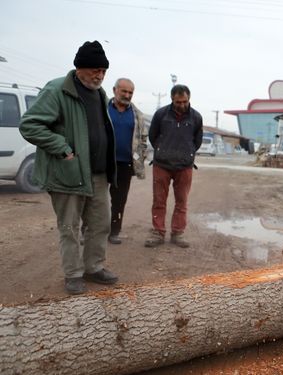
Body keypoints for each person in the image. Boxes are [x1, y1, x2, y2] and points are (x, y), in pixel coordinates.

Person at [19, 41, 118, 295]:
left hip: (97, 174)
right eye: (95, 70)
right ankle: (73, 274)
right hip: (68, 173)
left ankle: (93, 267)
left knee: (100, 224)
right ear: (79, 68)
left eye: (104, 71)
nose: (100, 75)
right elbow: (30, 125)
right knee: (70, 227)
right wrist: (62, 147)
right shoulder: (56, 90)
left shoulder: (100, 93)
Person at [145, 84, 203, 248]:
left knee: (182, 202)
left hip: (184, 167)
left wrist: (187, 153)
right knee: (159, 201)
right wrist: (162, 150)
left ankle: (177, 233)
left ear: (189, 99)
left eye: (185, 101)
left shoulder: (196, 117)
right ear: (172, 99)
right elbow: (153, 136)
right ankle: (158, 232)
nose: (182, 105)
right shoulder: (161, 114)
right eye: (178, 102)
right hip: (161, 165)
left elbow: (197, 141)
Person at [107, 78, 148, 244]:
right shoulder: (102, 109)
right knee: (94, 200)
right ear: (114, 90)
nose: (127, 95)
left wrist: (140, 157)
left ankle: (114, 232)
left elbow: (143, 140)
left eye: (130, 92)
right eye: (123, 91)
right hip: (102, 162)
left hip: (125, 164)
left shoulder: (137, 114)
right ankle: (86, 231)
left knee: (119, 200)